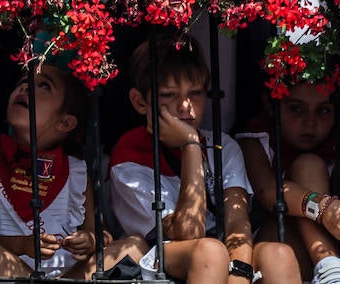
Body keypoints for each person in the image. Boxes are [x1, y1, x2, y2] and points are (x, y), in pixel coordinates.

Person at [109, 35, 298, 284]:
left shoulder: (223, 145)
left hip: (222, 253)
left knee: (279, 254)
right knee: (209, 251)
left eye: (195, 93)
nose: (185, 106)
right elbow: (188, 231)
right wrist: (191, 145)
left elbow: (237, 222)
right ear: (139, 101)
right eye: (169, 94)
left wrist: (239, 274)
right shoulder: (129, 156)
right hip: (164, 257)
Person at [0, 61, 146, 278]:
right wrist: (22, 244)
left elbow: (100, 233)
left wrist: (90, 240)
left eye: (44, 85)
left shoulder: (76, 172)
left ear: (65, 123)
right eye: (21, 82)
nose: (25, 87)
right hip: (12, 274)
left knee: (136, 245)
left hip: (68, 275)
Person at [236, 82, 340, 284]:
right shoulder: (257, 141)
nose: (310, 122)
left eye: (323, 110)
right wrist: (327, 209)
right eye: (296, 109)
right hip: (288, 247)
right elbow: (268, 191)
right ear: (270, 105)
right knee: (308, 164)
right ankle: (329, 266)